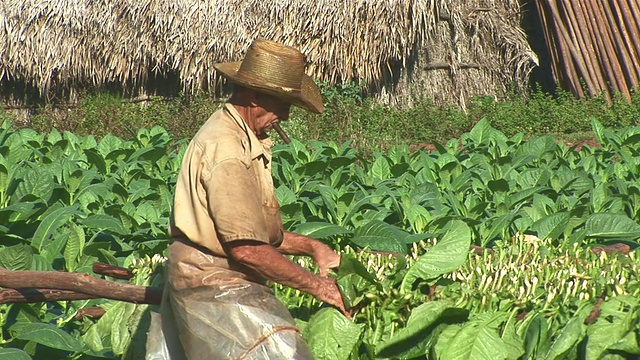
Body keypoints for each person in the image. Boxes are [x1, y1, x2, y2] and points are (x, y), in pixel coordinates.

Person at [153, 39, 349, 359]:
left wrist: (313, 247)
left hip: (221, 279)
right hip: (213, 287)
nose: (285, 117)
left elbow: (250, 233)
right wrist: (319, 286)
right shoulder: (227, 149)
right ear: (256, 98)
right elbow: (247, 249)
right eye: (283, 105)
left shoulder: (241, 136)